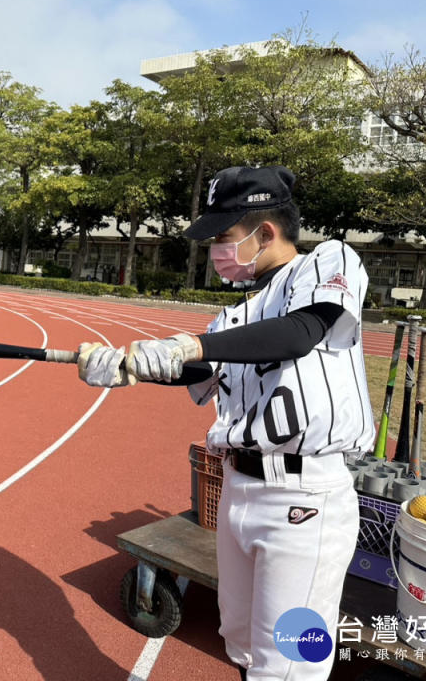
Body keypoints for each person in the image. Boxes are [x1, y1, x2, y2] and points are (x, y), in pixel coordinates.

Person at [77, 166, 374, 681]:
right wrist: (127, 366)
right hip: (239, 490)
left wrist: (195, 345)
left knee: (289, 664)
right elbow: (202, 366)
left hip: (305, 499)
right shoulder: (237, 315)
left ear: (266, 232)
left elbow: (298, 333)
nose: (216, 249)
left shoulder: (327, 261)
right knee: (241, 645)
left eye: (223, 236)